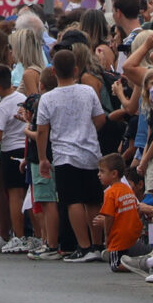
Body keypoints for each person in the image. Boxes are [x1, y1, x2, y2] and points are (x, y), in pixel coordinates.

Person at [35, 49, 105, 258]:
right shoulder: (87, 91)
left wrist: (42, 158)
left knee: (73, 200)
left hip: (64, 155)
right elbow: (100, 119)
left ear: (54, 71)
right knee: (93, 200)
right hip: (91, 151)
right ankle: (98, 244)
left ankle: (83, 247)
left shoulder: (47, 98)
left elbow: (41, 131)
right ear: (76, 69)